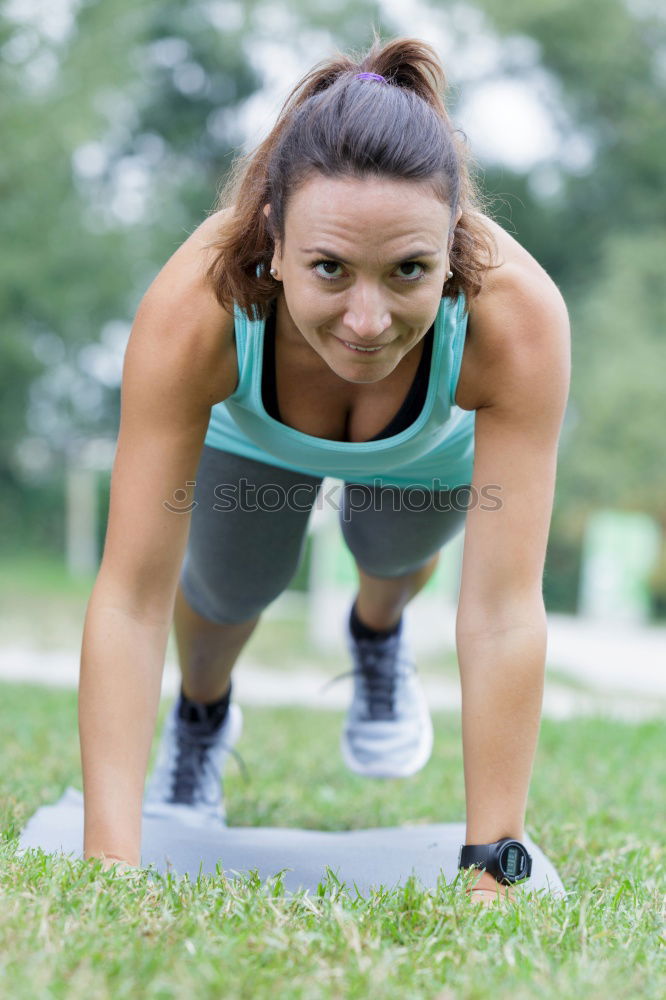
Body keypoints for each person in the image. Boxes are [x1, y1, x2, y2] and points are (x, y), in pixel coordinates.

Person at [78, 37, 570, 905]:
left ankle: (376, 637)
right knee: (230, 587)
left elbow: (501, 612)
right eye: (330, 269)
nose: (368, 320)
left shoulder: (519, 318)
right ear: (274, 237)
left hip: (424, 456)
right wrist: (110, 865)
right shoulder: (195, 310)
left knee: (390, 546)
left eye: (410, 271)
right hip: (253, 442)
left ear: (453, 246)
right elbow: (129, 598)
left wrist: (495, 871)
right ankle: (200, 722)